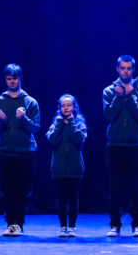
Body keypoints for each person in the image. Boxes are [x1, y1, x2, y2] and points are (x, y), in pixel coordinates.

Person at [0, 64, 40, 236]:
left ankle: (19, 222)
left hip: (25, 151)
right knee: (7, 189)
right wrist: (0, 121)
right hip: (5, 151)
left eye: (15, 78)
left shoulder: (30, 102)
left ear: (20, 78)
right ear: (5, 79)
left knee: (23, 190)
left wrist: (23, 118)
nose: (12, 81)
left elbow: (35, 127)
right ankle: (10, 223)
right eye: (9, 78)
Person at [102, 55, 138, 237]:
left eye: (129, 68)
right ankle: (115, 224)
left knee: (135, 187)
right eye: (123, 68)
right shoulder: (109, 90)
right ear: (117, 69)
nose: (126, 71)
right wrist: (118, 97)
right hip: (114, 145)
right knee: (115, 187)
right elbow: (109, 115)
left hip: (135, 145)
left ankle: (136, 224)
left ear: (133, 70)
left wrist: (129, 96)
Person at [45, 94, 87, 238]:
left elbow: (79, 139)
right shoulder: (56, 122)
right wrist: (59, 124)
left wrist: (72, 123)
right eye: (63, 106)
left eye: (69, 105)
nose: (66, 108)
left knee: (73, 199)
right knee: (61, 199)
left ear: (74, 107)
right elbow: (52, 140)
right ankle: (63, 226)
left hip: (75, 168)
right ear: (60, 108)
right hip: (59, 168)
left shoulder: (80, 122)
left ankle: (72, 227)